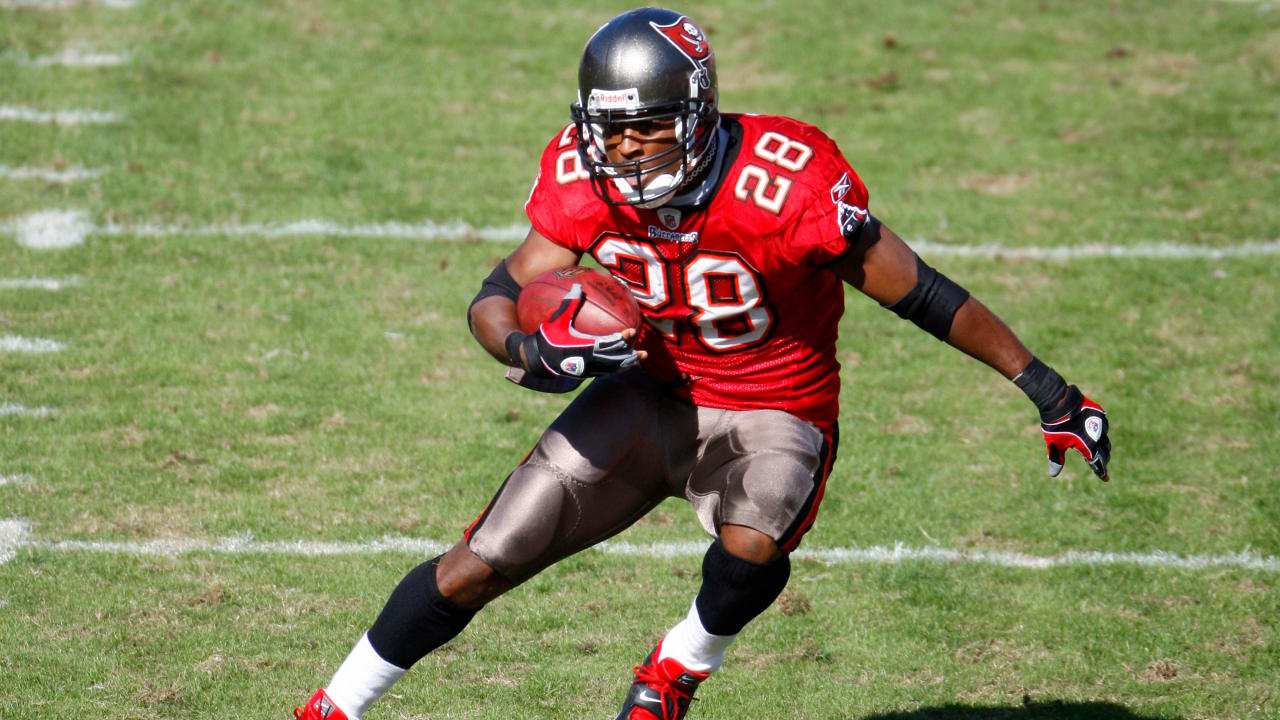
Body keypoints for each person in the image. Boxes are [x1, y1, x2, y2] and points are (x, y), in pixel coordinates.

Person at [293, 7, 1112, 720]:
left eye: (645, 126)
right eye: (608, 128)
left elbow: (922, 293)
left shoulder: (783, 182)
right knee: (482, 561)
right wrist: (526, 348)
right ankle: (335, 706)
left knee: (754, 545)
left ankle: (679, 665)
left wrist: (1046, 389)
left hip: (775, 407)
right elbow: (498, 291)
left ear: (698, 113)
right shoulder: (584, 181)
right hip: (649, 395)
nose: (625, 149)